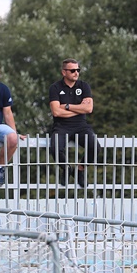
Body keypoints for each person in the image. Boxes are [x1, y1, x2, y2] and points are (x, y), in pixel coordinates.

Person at [48, 58, 100, 188]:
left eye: (78, 70)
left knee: (95, 147)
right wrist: (78, 109)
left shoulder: (84, 86)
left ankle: (80, 170)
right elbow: (56, 112)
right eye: (72, 70)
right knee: (55, 149)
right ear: (64, 72)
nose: (76, 73)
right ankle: (66, 169)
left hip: (81, 126)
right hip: (61, 126)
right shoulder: (55, 88)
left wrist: (66, 106)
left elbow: (89, 109)